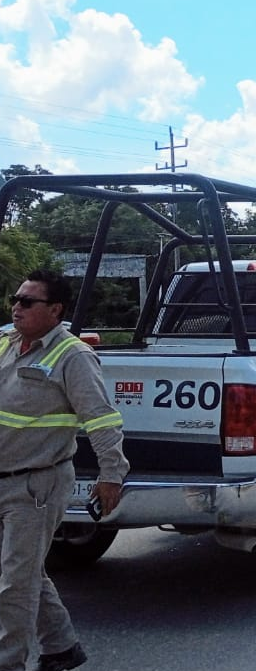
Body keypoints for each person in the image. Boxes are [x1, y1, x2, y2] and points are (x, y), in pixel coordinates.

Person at [0, 269, 128, 671]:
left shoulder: (73, 355)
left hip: (36, 484)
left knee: (14, 583)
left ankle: (8, 662)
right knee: (22, 573)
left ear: (55, 310)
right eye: (15, 300)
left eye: (27, 302)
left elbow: (102, 418)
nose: (16, 308)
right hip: (3, 477)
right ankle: (61, 647)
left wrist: (112, 474)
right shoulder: (6, 343)